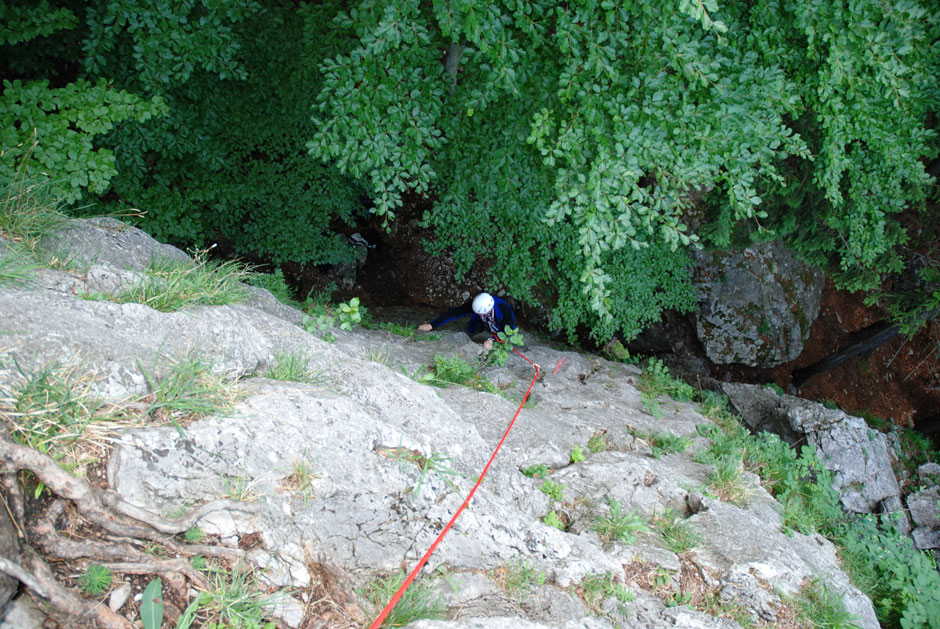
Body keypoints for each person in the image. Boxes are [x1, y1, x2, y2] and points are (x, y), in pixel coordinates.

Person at [418, 292, 517, 351]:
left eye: (481, 314)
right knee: (474, 321)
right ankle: (471, 332)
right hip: (485, 323)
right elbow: (455, 312)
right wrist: (432, 325)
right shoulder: (477, 304)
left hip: (501, 326)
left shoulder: (503, 308)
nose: (480, 315)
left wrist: (493, 339)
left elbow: (510, 327)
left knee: (498, 342)